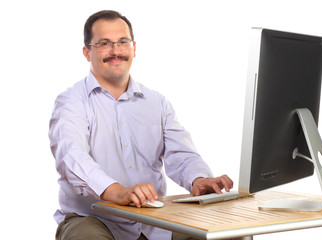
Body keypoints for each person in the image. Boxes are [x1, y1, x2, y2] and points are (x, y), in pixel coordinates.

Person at [49, 10, 233, 240]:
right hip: (93, 218)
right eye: (105, 43)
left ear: (134, 48)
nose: (116, 51)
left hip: (153, 218)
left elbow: (182, 155)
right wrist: (115, 190)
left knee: (226, 232)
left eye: (122, 42)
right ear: (87, 52)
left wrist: (199, 180)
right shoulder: (71, 102)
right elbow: (71, 156)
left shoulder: (157, 102)